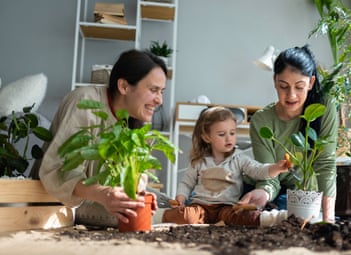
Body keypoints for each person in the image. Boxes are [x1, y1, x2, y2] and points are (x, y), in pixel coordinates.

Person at [32, 49, 168, 227]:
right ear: (124, 87)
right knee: (162, 214)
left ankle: (175, 213)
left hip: (102, 194)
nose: (160, 100)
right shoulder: (86, 102)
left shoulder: (133, 119)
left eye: (162, 92)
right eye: (153, 90)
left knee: (169, 202)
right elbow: (58, 172)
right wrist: (105, 194)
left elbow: (135, 175)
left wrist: (140, 190)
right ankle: (171, 217)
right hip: (63, 198)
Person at [241, 45, 338, 223]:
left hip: (305, 194)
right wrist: (263, 193)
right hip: (273, 190)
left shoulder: (324, 108)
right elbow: (268, 174)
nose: (291, 95)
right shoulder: (261, 121)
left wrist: (329, 219)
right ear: (275, 82)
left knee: (296, 217)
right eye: (283, 86)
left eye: (299, 87)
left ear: (311, 82)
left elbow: (326, 164)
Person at [162, 106, 290, 226]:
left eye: (232, 133)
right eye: (222, 134)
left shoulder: (239, 158)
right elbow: (186, 183)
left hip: (227, 208)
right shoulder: (199, 161)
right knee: (186, 216)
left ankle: (275, 217)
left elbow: (259, 170)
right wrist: (181, 197)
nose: (229, 139)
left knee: (245, 217)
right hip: (201, 206)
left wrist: (277, 168)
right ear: (207, 137)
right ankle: (156, 215)